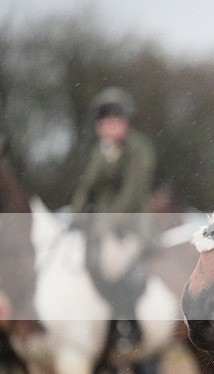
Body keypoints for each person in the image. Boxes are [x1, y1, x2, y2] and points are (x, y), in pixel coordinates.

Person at [71, 87, 157, 350]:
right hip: (100, 224)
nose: (110, 126)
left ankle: (126, 325)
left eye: (115, 120)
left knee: (112, 264)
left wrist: (104, 222)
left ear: (126, 122)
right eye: (105, 121)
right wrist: (74, 217)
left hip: (132, 223)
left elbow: (132, 193)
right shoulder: (99, 151)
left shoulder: (139, 149)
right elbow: (86, 188)